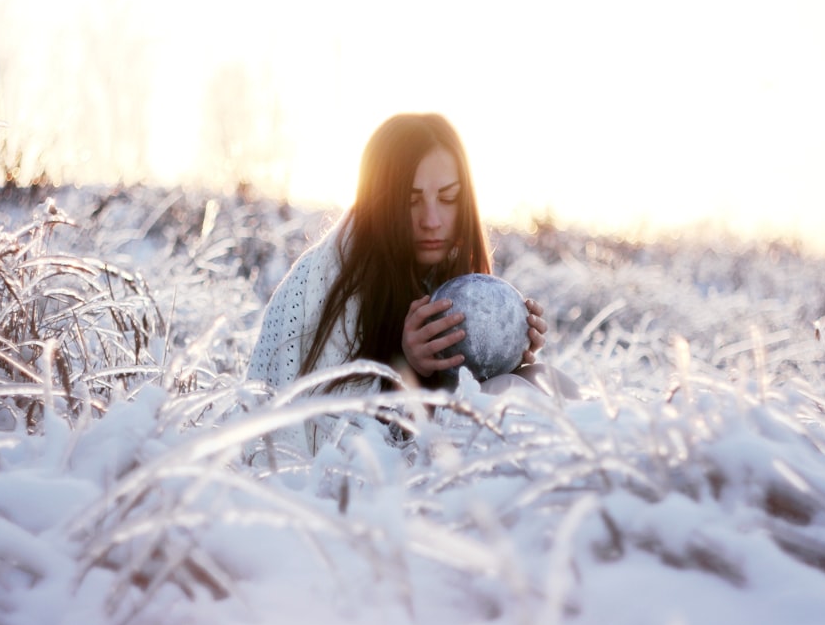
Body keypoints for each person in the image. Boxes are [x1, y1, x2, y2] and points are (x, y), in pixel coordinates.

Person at [246, 113, 578, 453]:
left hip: (440, 459)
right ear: (380, 201)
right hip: (376, 479)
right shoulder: (327, 282)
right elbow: (333, 441)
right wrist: (406, 370)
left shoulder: (459, 283)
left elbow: (465, 398)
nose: (432, 221)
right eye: (411, 200)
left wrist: (507, 353)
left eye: (448, 199)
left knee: (543, 382)